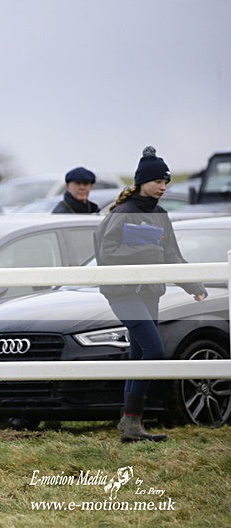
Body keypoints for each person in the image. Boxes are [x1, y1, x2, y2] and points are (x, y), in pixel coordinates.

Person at [94, 146, 207, 443]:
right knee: (153, 351)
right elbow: (107, 253)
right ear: (143, 181)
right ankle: (130, 422)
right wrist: (146, 250)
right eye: (159, 181)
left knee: (138, 355)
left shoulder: (162, 215)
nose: (163, 187)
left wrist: (193, 286)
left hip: (151, 293)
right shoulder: (122, 213)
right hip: (122, 294)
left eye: (166, 182)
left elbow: (172, 255)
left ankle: (131, 424)